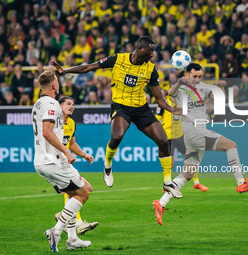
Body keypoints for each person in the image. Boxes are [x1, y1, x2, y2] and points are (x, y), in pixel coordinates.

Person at [51, 36, 183, 198]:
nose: (152, 54)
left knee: (163, 140)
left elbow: (159, 99)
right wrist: (65, 71)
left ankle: (167, 181)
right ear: (140, 49)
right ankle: (107, 165)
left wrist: (173, 110)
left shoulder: (151, 69)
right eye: (150, 51)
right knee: (117, 136)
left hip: (141, 108)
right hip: (121, 106)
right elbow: (89, 67)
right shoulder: (118, 59)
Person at [152, 63, 248, 225]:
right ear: (187, 75)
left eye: (200, 76)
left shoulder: (203, 87)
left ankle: (160, 203)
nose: (197, 79)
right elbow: (169, 92)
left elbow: (220, 101)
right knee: (231, 145)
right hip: (193, 132)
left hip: (195, 134)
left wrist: (220, 88)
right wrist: (181, 81)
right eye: (194, 76)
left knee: (188, 174)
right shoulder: (182, 88)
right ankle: (241, 183)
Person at [32, 70, 91, 252]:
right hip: (53, 160)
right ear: (55, 85)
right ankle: (56, 231)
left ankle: (72, 239)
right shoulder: (51, 104)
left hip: (43, 161)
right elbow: (47, 133)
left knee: (77, 192)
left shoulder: (38, 104)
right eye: (57, 80)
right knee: (83, 193)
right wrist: (67, 152)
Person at [53, 96, 98, 236]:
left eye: (73, 104)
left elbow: (71, 144)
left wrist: (84, 155)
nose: (71, 106)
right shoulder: (54, 122)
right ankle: (77, 224)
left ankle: (65, 216)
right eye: (68, 104)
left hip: (65, 165)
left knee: (87, 188)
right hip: (54, 164)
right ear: (60, 106)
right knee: (71, 191)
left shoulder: (71, 122)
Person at [156, 87, 208, 192]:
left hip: (180, 136)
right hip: (168, 136)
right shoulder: (164, 104)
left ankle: (196, 183)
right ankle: (167, 183)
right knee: (170, 162)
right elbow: (157, 119)